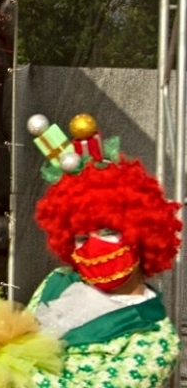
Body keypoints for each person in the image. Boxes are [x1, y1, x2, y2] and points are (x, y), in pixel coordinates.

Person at [28, 150, 182, 387]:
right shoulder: (58, 281)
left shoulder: (155, 337)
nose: (94, 247)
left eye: (108, 232)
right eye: (81, 236)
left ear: (144, 235)